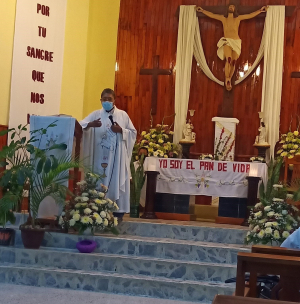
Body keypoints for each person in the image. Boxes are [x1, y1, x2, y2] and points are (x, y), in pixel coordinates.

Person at [80, 88, 137, 220]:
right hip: (99, 156)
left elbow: (133, 133)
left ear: (114, 100)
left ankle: (118, 212)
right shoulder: (95, 114)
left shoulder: (123, 115)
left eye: (109, 99)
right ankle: (97, 211)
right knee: (98, 180)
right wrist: (90, 124)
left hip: (116, 159)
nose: (106, 101)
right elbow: (81, 124)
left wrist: (121, 130)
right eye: (104, 99)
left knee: (116, 179)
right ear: (100, 100)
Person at [196, 4, 268, 91]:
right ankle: (227, 78)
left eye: (233, 7)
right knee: (229, 59)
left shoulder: (238, 19)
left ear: (234, 10)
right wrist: (202, 11)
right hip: (227, 41)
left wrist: (260, 11)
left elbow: (249, 16)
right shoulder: (223, 19)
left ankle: (229, 78)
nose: (231, 7)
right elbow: (212, 15)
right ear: (228, 9)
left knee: (233, 62)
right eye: (230, 6)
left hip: (236, 42)